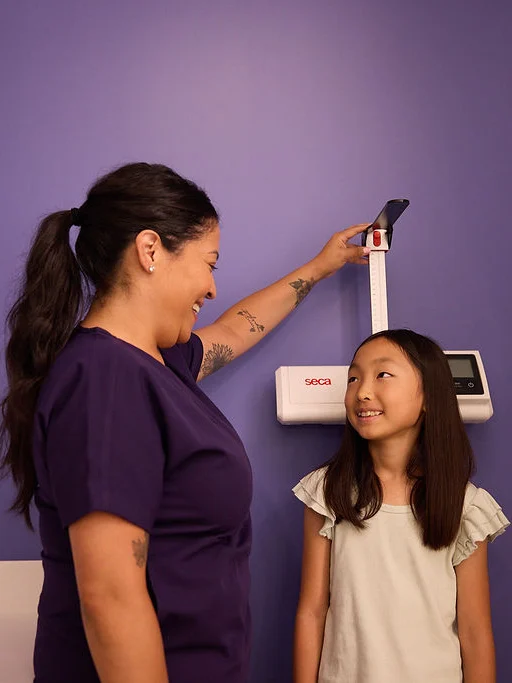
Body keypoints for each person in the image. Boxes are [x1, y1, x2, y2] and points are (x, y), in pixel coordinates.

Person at [0, 162, 370, 683]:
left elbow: (235, 331)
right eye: (209, 263)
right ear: (150, 251)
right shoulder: (105, 380)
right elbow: (110, 598)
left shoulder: (153, 363)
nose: (212, 287)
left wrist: (320, 266)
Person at [293, 329, 509, 683]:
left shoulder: (466, 506)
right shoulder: (326, 493)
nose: (362, 391)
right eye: (353, 377)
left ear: (427, 395)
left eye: (383, 375)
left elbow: (475, 630)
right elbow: (312, 612)